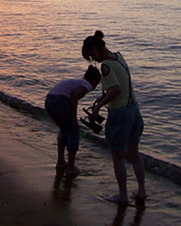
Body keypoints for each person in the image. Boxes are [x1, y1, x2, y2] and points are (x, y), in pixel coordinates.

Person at [82, 30, 146, 205]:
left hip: (120, 113)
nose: (93, 61)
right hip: (134, 110)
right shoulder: (119, 57)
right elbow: (119, 88)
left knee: (117, 154)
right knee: (134, 153)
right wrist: (102, 98)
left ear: (95, 49)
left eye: (91, 56)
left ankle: (123, 196)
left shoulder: (106, 66)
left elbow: (115, 89)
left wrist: (98, 107)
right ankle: (141, 191)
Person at [45, 65, 101, 175]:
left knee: (65, 130)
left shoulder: (78, 81)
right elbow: (74, 97)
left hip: (49, 100)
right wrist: (74, 119)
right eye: (97, 83)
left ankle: (61, 161)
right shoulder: (87, 85)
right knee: (74, 131)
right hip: (60, 100)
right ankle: (70, 167)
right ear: (94, 80)